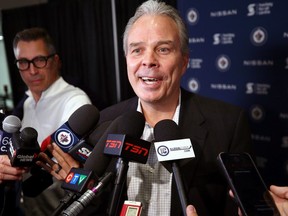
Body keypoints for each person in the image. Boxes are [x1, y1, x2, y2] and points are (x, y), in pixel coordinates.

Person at [37, 0, 252, 215]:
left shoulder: (228, 124)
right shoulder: (103, 123)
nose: (148, 61)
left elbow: (237, 206)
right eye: (137, 50)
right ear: (127, 60)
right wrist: (83, 191)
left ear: (184, 61)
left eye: (163, 49)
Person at [0, 27, 91, 216]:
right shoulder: (25, 103)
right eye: (24, 62)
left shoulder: (75, 102)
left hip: (61, 209)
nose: (32, 70)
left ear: (55, 61)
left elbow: (80, 172)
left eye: (39, 60)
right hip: (27, 208)